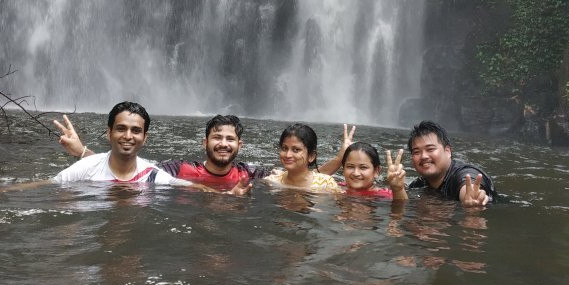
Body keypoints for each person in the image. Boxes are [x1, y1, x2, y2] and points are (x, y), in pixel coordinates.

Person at [55, 113, 348, 187]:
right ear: (204, 142)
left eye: (230, 139)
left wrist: (341, 158)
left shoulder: (250, 175)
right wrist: (83, 153)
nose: (223, 143)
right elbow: (132, 168)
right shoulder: (178, 170)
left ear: (239, 146)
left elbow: (300, 177)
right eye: (216, 137)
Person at [53, 101, 186, 185]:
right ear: (109, 133)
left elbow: (193, 188)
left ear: (145, 138)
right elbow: (46, 185)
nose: (128, 136)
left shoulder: (153, 176)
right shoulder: (84, 168)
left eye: (136, 130)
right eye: (121, 129)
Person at [406, 120, 495, 207]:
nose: (423, 156)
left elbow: (468, 184)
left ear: (447, 151)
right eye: (416, 152)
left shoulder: (464, 173)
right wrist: (397, 189)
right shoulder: (419, 184)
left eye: (430, 149)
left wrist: (471, 199)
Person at [264, 123, 343, 193]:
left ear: (311, 156)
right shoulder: (272, 181)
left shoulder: (326, 184)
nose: (288, 155)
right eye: (284, 148)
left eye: (296, 150)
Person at [340, 142, 408, 201]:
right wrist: (338, 158)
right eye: (350, 167)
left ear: (376, 171)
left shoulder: (384, 195)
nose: (356, 173)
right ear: (343, 169)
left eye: (363, 167)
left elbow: (400, 212)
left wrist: (398, 189)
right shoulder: (337, 187)